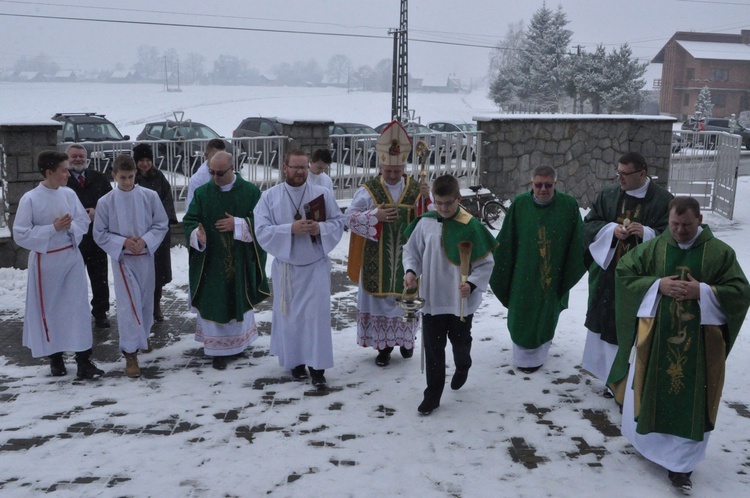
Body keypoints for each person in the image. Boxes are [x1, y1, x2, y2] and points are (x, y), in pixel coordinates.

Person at [609, 196, 749, 491]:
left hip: (699, 348)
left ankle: (681, 467)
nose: (680, 231)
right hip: (656, 340)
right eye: (674, 224)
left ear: (699, 220)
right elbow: (624, 273)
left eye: (686, 225)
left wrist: (706, 292)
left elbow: (739, 291)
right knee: (652, 390)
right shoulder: (656, 248)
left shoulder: (719, 253)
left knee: (693, 399)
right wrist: (656, 285)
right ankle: (649, 447)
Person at [403, 174, 496, 415]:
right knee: (434, 349)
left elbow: (486, 263)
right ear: (434, 199)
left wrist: (472, 284)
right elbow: (411, 251)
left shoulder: (471, 225)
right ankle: (432, 395)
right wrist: (411, 271)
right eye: (439, 202)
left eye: (449, 203)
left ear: (458, 198)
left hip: (460, 300)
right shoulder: (426, 222)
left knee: (460, 343)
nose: (443, 208)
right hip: (433, 298)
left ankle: (463, 364)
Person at [581, 152, 673, 391]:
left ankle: (633, 381)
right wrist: (611, 230)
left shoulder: (664, 201)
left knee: (634, 328)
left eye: (625, 174)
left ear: (642, 174)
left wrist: (647, 233)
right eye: (618, 173)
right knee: (608, 325)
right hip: (610, 276)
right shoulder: (609, 195)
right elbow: (589, 224)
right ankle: (610, 377)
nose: (619, 178)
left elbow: (675, 237)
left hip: (644, 280)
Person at [254, 148, 345, 387]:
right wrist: (290, 230)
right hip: (287, 267)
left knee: (316, 318)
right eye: (294, 167)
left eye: (303, 167)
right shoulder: (270, 197)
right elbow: (261, 231)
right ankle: (295, 363)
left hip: (315, 266)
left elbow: (338, 222)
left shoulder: (322, 193)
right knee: (291, 318)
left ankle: (317, 367)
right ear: (284, 167)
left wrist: (320, 229)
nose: (299, 171)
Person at [12, 150, 104, 379]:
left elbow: (83, 222)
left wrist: (70, 226)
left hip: (71, 257)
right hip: (46, 262)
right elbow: (20, 234)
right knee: (51, 309)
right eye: (63, 170)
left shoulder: (69, 194)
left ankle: (84, 360)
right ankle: (55, 358)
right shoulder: (30, 198)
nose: (67, 174)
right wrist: (52, 229)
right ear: (49, 172)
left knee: (77, 308)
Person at [344, 121, 430, 366]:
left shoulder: (415, 188)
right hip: (376, 259)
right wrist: (374, 217)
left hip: (407, 257)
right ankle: (383, 348)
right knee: (382, 303)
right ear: (381, 166)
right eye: (388, 170)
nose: (392, 175)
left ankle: (406, 341)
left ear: (403, 166)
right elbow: (348, 219)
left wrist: (426, 197)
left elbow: (429, 218)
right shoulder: (368, 191)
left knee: (406, 300)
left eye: (397, 170)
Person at [489, 166, 586, 373]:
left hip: (552, 274)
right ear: (531, 183)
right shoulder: (520, 204)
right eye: (538, 184)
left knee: (545, 312)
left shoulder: (568, 205)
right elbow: (507, 239)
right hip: (523, 273)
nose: (543, 189)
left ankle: (540, 353)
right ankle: (522, 355)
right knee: (521, 310)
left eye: (548, 185)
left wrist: (567, 269)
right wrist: (498, 259)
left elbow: (577, 241)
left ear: (555, 184)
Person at [183, 151, 270, 371]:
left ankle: (240, 343)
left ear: (232, 169)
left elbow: (262, 223)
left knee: (237, 298)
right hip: (211, 262)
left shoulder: (250, 192)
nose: (215, 177)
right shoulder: (203, 193)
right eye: (211, 172)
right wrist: (196, 233)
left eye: (220, 173)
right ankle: (216, 350)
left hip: (240, 260)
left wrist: (239, 224)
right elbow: (190, 219)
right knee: (215, 299)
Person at [93, 154, 169, 377]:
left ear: (136, 174)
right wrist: (123, 242)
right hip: (123, 259)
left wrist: (145, 240)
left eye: (131, 177)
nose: (127, 182)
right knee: (128, 304)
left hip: (145, 256)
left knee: (145, 300)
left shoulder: (149, 196)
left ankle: (143, 335)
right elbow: (99, 233)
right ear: (114, 175)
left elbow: (161, 223)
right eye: (122, 177)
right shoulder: (105, 201)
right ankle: (130, 353)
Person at [66, 144, 113, 329]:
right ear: (67, 158)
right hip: (73, 239)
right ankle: (74, 313)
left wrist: (97, 211)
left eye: (81, 156)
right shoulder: (64, 179)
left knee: (99, 278)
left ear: (87, 158)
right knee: (74, 280)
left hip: (96, 237)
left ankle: (100, 313)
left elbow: (111, 202)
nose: (78, 159)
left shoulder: (99, 178)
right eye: (74, 156)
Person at [132, 143, 177, 322]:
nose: (144, 164)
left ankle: (156, 305)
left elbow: (166, 200)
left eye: (147, 160)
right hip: (138, 232)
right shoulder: (132, 179)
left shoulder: (158, 177)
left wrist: (162, 220)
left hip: (158, 231)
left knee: (158, 271)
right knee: (141, 271)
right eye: (141, 160)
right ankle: (140, 304)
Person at [186, 138, 226, 209]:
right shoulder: (197, 180)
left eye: (222, 157)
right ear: (206, 155)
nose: (219, 161)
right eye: (215, 157)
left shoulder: (230, 173)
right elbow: (191, 209)